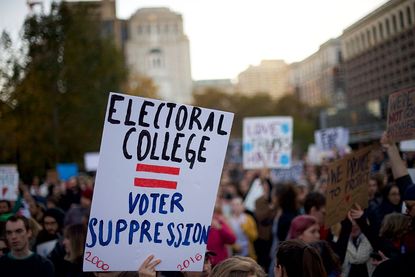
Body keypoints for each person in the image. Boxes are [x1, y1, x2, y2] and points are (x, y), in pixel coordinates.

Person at [207, 197, 236, 267]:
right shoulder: (197, 223)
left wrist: (219, 227)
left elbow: (232, 240)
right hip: (204, 264)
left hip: (219, 264)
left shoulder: (218, 221)